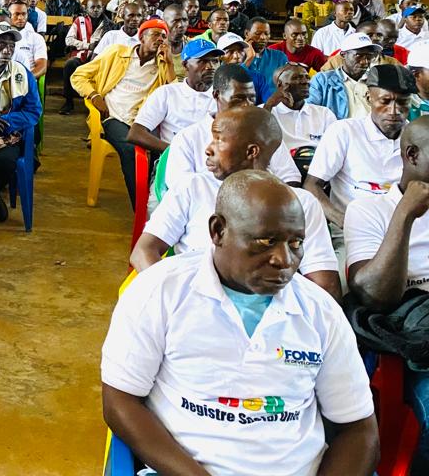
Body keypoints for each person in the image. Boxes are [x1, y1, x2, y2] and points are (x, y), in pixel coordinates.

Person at [104, 170, 378, 476]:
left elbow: (359, 429)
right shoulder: (160, 291)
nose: (284, 259)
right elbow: (120, 401)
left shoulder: (319, 311)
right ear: (218, 231)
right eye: (266, 241)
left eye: (296, 243)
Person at [132, 105, 340, 293]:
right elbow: (143, 251)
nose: (208, 149)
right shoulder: (193, 187)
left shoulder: (300, 204)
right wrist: (177, 299)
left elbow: (325, 284)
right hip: (193, 296)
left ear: (251, 152)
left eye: (219, 140)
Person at [346, 116, 429, 468]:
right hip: (413, 335)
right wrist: (405, 215)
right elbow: (376, 296)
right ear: (412, 155)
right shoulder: (368, 209)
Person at [72, 19, 175, 209]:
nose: (160, 39)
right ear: (141, 37)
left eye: (164, 36)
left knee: (160, 151)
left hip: (143, 121)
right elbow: (78, 75)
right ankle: (141, 209)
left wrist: (169, 63)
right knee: (130, 150)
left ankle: (153, 199)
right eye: (155, 34)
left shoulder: (162, 65)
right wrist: (94, 96)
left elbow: (174, 96)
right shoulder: (117, 53)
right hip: (114, 118)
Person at [305, 64, 414, 231]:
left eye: (402, 102)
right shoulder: (344, 131)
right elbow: (312, 185)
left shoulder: (417, 137)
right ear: (369, 98)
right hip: (351, 228)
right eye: (385, 101)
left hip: (405, 229)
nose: (394, 111)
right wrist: (344, 221)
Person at [163, 63, 302, 192]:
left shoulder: (263, 133)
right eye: (238, 98)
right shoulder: (188, 137)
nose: (247, 105)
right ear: (216, 95)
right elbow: (180, 188)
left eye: (251, 98)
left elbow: (290, 176)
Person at [0, 22, 42, 221]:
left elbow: (34, 111)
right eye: (1, 44)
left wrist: (6, 121)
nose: (7, 50)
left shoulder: (22, 73)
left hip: (7, 133)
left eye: (11, 45)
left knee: (6, 162)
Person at [128, 37, 221, 154]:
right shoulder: (166, 93)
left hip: (211, 159)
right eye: (202, 61)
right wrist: (176, 152)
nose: (210, 67)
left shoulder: (224, 98)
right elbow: (135, 133)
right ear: (185, 65)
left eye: (215, 61)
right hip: (173, 158)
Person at [266, 63, 336, 158]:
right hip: (281, 165)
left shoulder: (324, 114)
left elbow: (334, 148)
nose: (305, 82)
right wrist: (268, 105)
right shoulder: (266, 111)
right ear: (280, 84)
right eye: (296, 78)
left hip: (316, 163)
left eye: (307, 77)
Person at [307, 32, 381, 120]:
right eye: (358, 56)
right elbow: (310, 112)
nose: (364, 62)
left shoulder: (377, 81)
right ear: (343, 55)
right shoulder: (322, 80)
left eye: (369, 57)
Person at [216, 32, 273, 103]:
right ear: (220, 56)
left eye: (240, 51)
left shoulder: (258, 78)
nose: (236, 56)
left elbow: (268, 105)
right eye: (230, 51)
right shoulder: (213, 78)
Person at [242, 16, 288, 91]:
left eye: (266, 34)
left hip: (272, 98)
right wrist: (249, 58)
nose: (263, 37)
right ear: (246, 34)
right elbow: (231, 81)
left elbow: (286, 85)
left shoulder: (279, 57)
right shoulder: (236, 56)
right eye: (257, 33)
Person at [8, 0, 47, 78]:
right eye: (16, 14)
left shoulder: (36, 38)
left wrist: (24, 79)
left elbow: (42, 67)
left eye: (24, 14)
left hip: (27, 78)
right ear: (9, 16)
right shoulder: (1, 37)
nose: (20, 18)